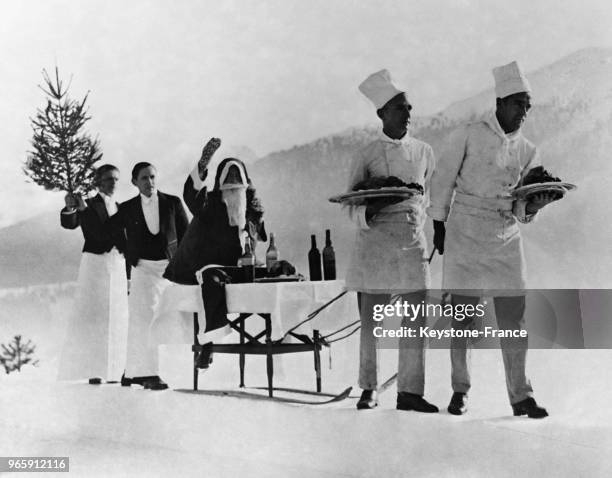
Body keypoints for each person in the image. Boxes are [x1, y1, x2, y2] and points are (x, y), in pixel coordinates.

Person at [427, 61, 559, 418]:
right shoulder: (469, 134)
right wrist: (439, 225)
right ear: (500, 102)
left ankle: (521, 396)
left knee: (513, 319)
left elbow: (521, 207)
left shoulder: (528, 150)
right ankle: (460, 390)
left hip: (505, 237)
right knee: (462, 318)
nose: (524, 113)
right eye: (519, 104)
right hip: (465, 234)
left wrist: (536, 206)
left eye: (528, 106)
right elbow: (442, 181)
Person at [346, 69, 438, 412]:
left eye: (409, 108)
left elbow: (424, 199)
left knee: (416, 318)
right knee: (373, 320)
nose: (408, 114)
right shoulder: (366, 154)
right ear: (381, 114)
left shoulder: (425, 152)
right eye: (400, 108)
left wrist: (418, 226)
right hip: (376, 242)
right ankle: (369, 388)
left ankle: (410, 392)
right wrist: (374, 209)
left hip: (412, 242)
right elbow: (350, 204)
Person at [163, 139, 266, 367]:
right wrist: (203, 164)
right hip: (216, 266)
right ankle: (209, 345)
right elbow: (192, 198)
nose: (232, 186)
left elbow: (259, 232)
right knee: (210, 281)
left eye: (237, 183)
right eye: (227, 182)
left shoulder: (252, 206)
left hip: (245, 266)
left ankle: (283, 330)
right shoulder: (210, 204)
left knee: (279, 273)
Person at [109, 162, 188, 390]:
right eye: (144, 178)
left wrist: (184, 265)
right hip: (142, 269)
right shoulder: (127, 208)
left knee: (166, 320)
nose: (150, 182)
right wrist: (128, 251)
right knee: (143, 320)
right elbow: (109, 231)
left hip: (169, 270)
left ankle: (131, 372)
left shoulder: (172, 203)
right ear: (135, 182)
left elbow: (187, 234)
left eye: (153, 177)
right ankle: (149, 374)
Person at [57, 164, 129, 383]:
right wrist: (71, 207)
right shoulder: (87, 204)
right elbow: (70, 223)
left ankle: (116, 371)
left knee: (117, 316)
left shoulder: (121, 206)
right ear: (98, 182)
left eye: (116, 179)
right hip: (95, 264)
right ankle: (92, 370)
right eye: (108, 179)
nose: (113, 183)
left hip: (117, 264)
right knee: (93, 314)